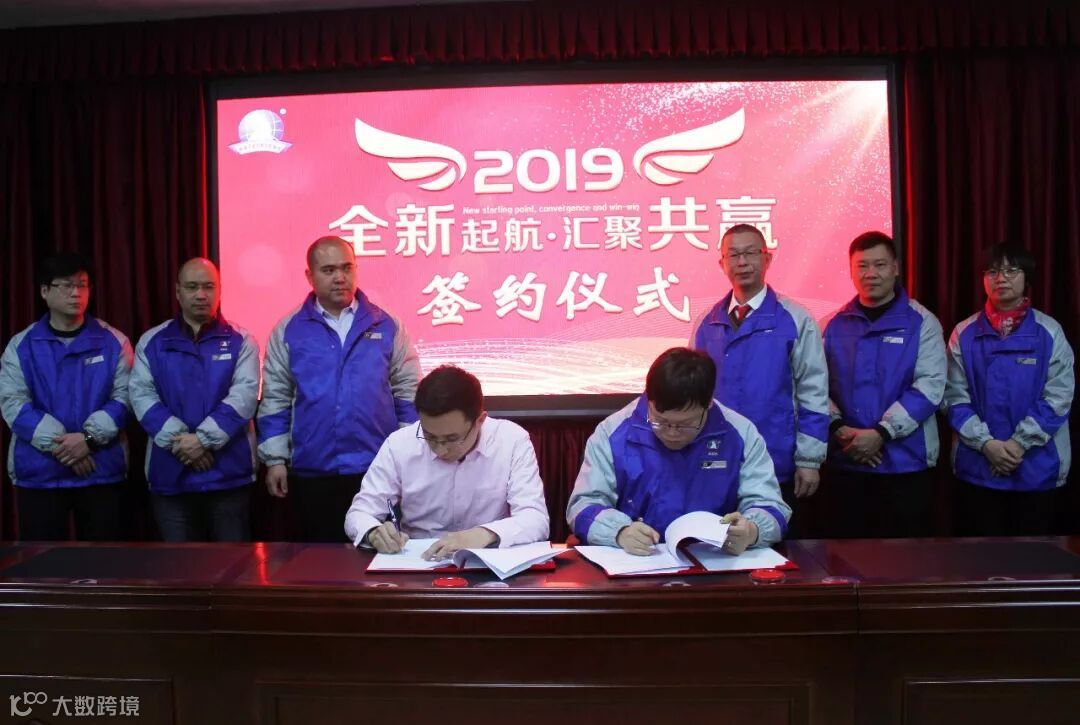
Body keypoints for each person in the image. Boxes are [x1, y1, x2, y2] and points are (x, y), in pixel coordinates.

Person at [258, 236, 421, 542]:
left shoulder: (386, 324)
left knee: (380, 556)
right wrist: (275, 460)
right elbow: (276, 397)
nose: (340, 277)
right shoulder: (289, 329)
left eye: (347, 268)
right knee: (319, 561)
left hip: (377, 469)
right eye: (329, 270)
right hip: (313, 470)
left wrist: (410, 453)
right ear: (310, 276)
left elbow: (407, 392)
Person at [567, 347, 790, 556]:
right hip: (639, 561)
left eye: (686, 424)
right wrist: (619, 531)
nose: (672, 433)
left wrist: (752, 530)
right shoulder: (613, 432)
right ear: (649, 400)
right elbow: (583, 505)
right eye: (660, 422)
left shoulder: (741, 433)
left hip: (715, 561)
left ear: (708, 404)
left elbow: (771, 506)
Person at [691, 223, 829, 538]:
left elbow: (814, 392)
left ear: (767, 259)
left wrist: (809, 460)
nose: (742, 262)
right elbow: (691, 395)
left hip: (777, 462)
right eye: (733, 255)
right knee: (718, 547)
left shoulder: (795, 319)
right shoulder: (706, 322)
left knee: (774, 548)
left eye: (751, 253)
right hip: (715, 462)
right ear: (722, 263)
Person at [344, 365, 549, 559]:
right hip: (417, 561)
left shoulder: (511, 440)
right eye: (430, 436)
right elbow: (359, 513)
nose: (440, 449)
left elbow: (535, 519)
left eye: (452, 439)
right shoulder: (399, 444)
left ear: (480, 421)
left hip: (487, 563)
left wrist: (484, 534)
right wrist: (373, 532)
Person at [821, 231, 946, 538]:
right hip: (846, 461)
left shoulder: (922, 322)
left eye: (879, 265)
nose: (871, 273)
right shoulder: (831, 324)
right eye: (862, 266)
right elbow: (814, 387)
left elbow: (930, 386)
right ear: (851, 271)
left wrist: (881, 433)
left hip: (906, 464)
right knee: (845, 558)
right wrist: (839, 429)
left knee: (905, 559)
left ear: (895, 268)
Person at [0, 252, 133, 541]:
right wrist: (67, 447)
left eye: (82, 285)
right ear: (44, 291)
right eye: (66, 285)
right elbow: (14, 405)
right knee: (42, 563)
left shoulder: (114, 341)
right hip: (40, 474)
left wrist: (88, 440)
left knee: (105, 563)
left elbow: (125, 398)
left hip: (100, 470)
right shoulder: (21, 346)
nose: (76, 293)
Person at [944, 243, 1074, 536]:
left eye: (1011, 270)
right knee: (977, 557)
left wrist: (1018, 444)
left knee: (1035, 558)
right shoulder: (963, 333)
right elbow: (953, 397)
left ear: (1026, 277)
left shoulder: (1050, 331)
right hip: (978, 466)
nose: (1001, 278)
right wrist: (987, 445)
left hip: (1037, 467)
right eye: (992, 271)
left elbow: (1059, 397)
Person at [129, 258, 259, 541]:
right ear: (178, 292)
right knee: (179, 565)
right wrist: (183, 443)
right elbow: (140, 395)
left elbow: (245, 395)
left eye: (208, 287)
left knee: (233, 564)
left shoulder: (242, 341)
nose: (201, 295)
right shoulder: (152, 341)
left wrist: (202, 440)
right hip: (170, 475)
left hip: (228, 475)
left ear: (220, 290)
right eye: (192, 287)